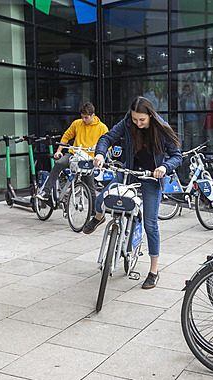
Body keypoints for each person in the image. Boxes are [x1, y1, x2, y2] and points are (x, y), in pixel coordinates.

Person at [82, 96, 182, 289]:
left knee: (151, 224)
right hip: (130, 171)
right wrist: (100, 153)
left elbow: (177, 156)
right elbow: (107, 137)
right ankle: (98, 217)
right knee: (101, 198)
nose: (138, 123)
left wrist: (165, 168)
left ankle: (153, 271)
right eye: (135, 119)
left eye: (142, 120)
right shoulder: (128, 122)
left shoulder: (161, 127)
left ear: (150, 116)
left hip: (152, 176)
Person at [36, 102, 108, 201]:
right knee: (59, 163)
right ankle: (46, 192)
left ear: (93, 115)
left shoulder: (102, 127)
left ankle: (95, 214)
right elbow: (66, 136)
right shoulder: (77, 123)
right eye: (82, 117)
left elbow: (108, 143)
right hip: (74, 154)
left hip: (88, 159)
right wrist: (59, 151)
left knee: (90, 187)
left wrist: (98, 147)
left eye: (86, 117)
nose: (83, 120)